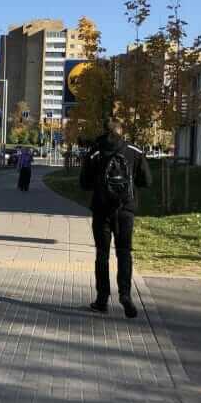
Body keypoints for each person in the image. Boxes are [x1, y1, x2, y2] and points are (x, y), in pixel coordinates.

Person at [79, 118, 152, 319]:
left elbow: (84, 183)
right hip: (126, 210)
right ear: (121, 131)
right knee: (124, 252)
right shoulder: (134, 151)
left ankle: (102, 299)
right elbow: (147, 181)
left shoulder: (95, 152)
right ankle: (125, 295)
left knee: (102, 254)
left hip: (102, 210)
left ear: (104, 131)